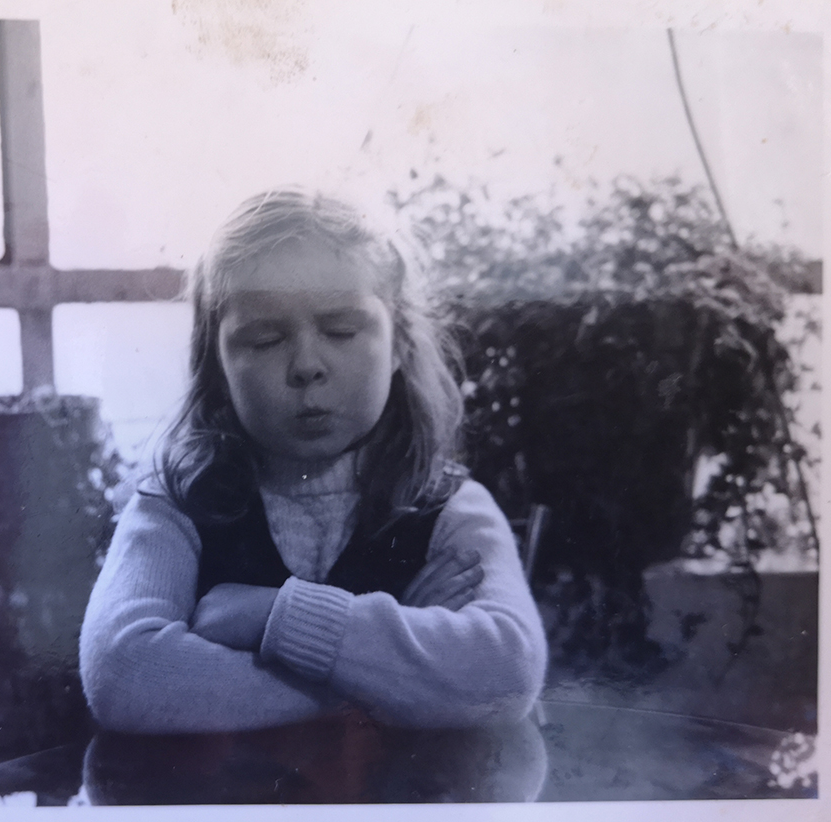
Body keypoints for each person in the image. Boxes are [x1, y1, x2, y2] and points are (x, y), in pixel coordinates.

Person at [79, 189, 547, 734]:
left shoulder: (451, 508)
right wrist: (392, 685)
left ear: (398, 345)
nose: (306, 365)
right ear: (217, 366)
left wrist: (266, 616)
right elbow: (124, 676)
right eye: (265, 338)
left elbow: (505, 674)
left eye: (341, 331)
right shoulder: (175, 506)